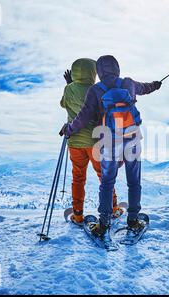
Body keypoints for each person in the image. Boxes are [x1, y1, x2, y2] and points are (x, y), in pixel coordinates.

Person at [60, 55, 162, 239]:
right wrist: (156, 84)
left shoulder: (95, 90)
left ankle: (103, 225)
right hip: (132, 138)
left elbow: (83, 117)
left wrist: (69, 128)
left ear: (99, 72)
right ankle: (133, 221)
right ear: (117, 67)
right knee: (134, 182)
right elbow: (145, 88)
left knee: (107, 183)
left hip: (108, 141)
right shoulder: (128, 83)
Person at [60, 58, 121, 226]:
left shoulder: (68, 90)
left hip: (75, 142)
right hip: (96, 141)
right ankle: (113, 208)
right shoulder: (98, 90)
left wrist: (70, 85)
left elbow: (63, 104)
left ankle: (78, 215)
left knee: (78, 178)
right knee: (104, 176)